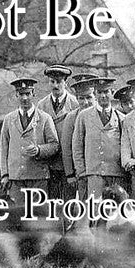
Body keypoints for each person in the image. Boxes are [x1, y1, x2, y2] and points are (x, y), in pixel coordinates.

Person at [0, 77, 59, 203]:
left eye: (27, 94)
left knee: (37, 216)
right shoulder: (9, 119)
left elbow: (54, 145)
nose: (24, 98)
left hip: (38, 176)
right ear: (16, 95)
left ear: (33, 94)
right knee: (17, 214)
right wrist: (5, 174)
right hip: (16, 178)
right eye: (21, 94)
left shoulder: (44, 118)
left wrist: (39, 150)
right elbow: (4, 149)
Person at [72, 77, 126, 202]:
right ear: (95, 94)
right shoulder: (84, 116)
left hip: (115, 174)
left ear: (112, 93)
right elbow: (77, 146)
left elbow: (125, 146)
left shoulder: (121, 118)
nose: (103, 96)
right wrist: (82, 171)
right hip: (93, 174)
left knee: (116, 213)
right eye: (99, 92)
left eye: (106, 92)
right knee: (95, 212)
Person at [41, 65, 80, 200]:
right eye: (52, 81)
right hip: (49, 165)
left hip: (69, 165)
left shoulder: (76, 104)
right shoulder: (42, 105)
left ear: (66, 83)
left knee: (68, 204)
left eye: (59, 81)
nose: (55, 85)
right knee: (50, 205)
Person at [59, 76, 97, 193]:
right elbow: (66, 147)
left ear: (95, 96)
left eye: (89, 97)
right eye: (81, 98)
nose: (85, 102)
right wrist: (70, 173)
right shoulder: (72, 117)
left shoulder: (100, 114)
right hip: (81, 171)